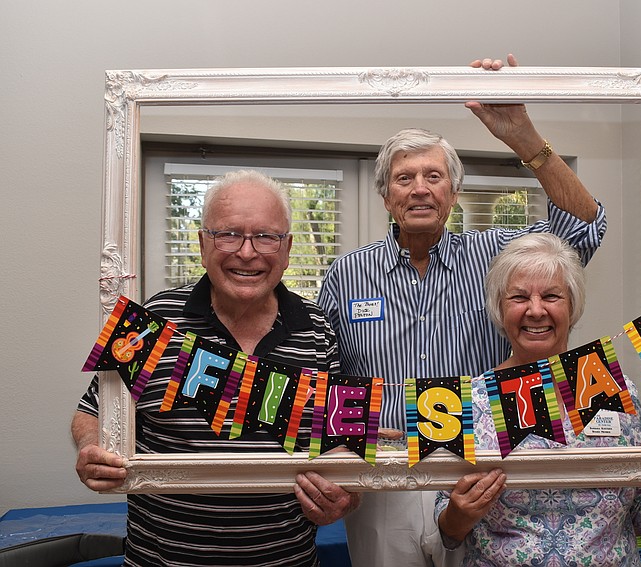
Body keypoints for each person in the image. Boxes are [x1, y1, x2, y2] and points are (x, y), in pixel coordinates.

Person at [316, 55, 607, 567]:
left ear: (453, 192)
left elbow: (584, 228)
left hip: (487, 466)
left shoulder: (495, 254)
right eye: (405, 179)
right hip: (390, 474)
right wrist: (346, 450)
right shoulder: (347, 274)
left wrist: (521, 135)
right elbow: (328, 377)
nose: (421, 188)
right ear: (386, 196)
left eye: (434, 176)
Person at [72, 170, 359, 567]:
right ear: (203, 243)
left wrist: (345, 495)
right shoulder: (150, 318)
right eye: (228, 234)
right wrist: (91, 447)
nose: (246, 252)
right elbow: (90, 412)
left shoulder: (318, 329)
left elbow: (344, 442)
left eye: (265, 236)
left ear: (288, 248)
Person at [435, 233, 641, 566]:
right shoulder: (469, 402)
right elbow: (448, 532)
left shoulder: (612, 389)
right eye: (519, 297)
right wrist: (458, 515)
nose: (536, 310)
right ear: (499, 307)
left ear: (572, 306)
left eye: (552, 296)